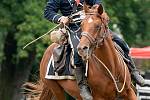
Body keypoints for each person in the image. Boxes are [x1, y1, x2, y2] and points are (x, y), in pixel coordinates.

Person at [44, 0, 145, 99]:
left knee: (122, 43)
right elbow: (48, 12)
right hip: (74, 28)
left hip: (93, 24)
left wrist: (96, 9)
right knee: (77, 50)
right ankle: (82, 85)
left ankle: (134, 71)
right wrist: (60, 18)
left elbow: (98, 2)